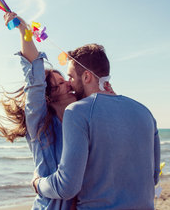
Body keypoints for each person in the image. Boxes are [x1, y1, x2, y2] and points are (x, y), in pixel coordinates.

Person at [32, 44, 161, 209]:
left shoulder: (77, 112)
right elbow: (154, 177)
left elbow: (67, 186)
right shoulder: (145, 112)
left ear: (86, 77)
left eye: (71, 77)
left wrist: (38, 183)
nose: (69, 84)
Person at [0, 12, 76, 210]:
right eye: (59, 84)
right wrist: (24, 31)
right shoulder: (40, 122)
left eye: (64, 80)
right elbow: (34, 79)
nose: (68, 85)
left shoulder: (83, 117)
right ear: (49, 96)